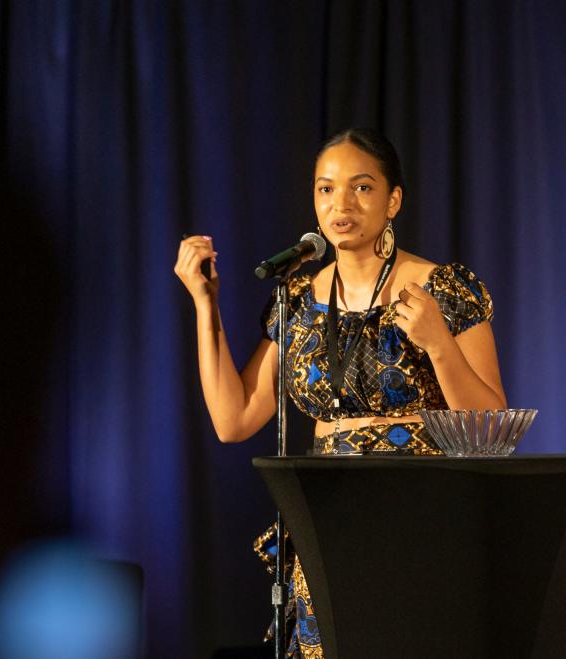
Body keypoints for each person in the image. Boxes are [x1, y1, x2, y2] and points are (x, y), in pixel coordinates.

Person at [173, 128, 506, 658]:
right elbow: (233, 420)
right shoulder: (299, 298)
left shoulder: (441, 288)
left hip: (421, 518)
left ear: (393, 200)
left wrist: (440, 344)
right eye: (325, 189)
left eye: (362, 187)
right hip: (328, 522)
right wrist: (205, 305)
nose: (341, 204)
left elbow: (491, 431)